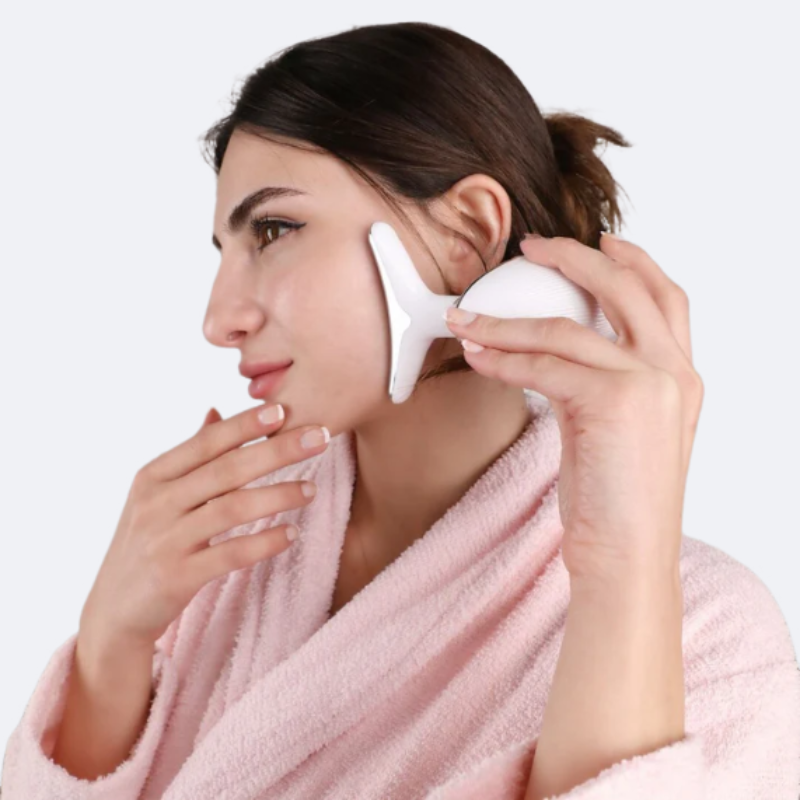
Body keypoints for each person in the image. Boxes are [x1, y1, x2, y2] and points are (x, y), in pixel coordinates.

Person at [2, 21, 798, 800]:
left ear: (467, 233)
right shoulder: (223, 558)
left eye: (273, 230)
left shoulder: (709, 635)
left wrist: (624, 568)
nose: (220, 319)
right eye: (225, 252)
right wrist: (111, 643)